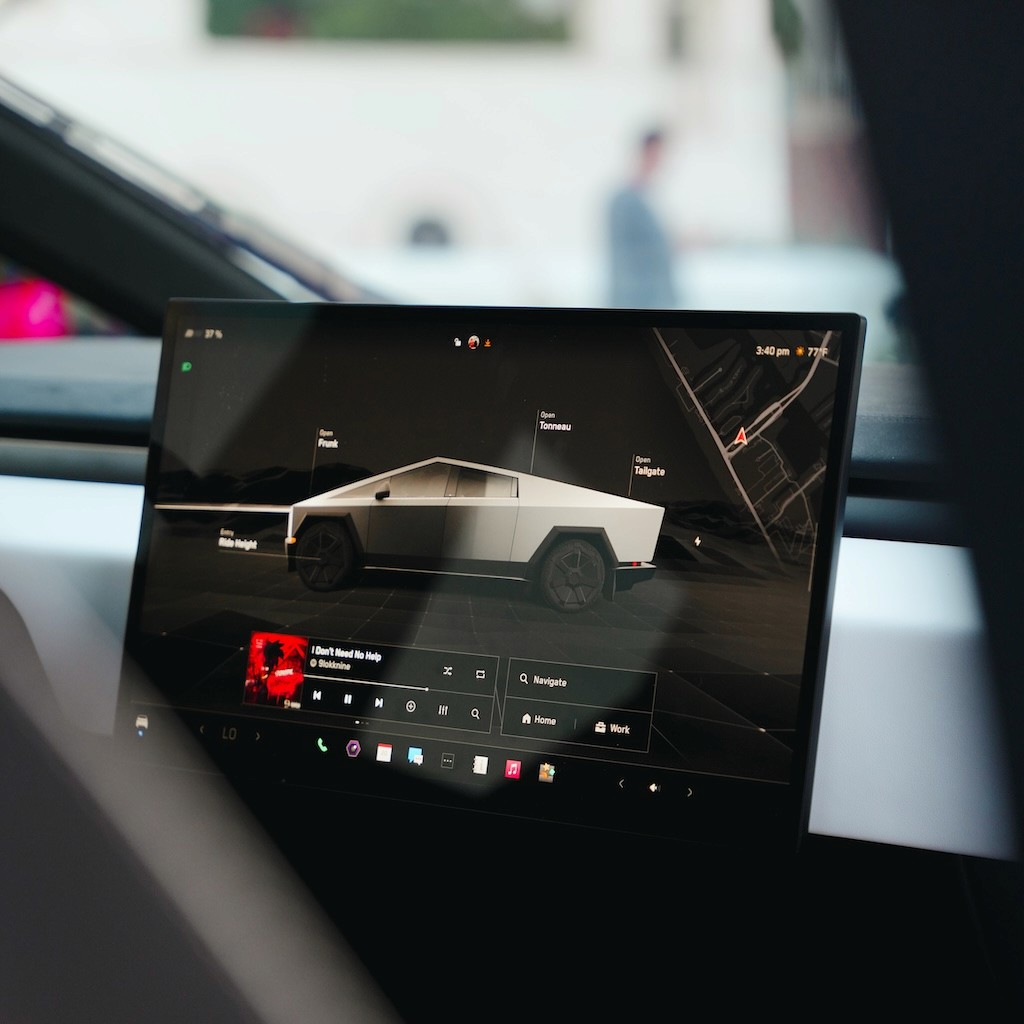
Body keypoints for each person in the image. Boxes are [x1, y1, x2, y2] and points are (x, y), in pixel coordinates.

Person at [607, 129, 677, 308]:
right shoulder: (625, 202)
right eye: (658, 154)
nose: (661, 161)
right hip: (636, 305)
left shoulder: (646, 199)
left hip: (652, 304)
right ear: (646, 153)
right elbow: (638, 256)